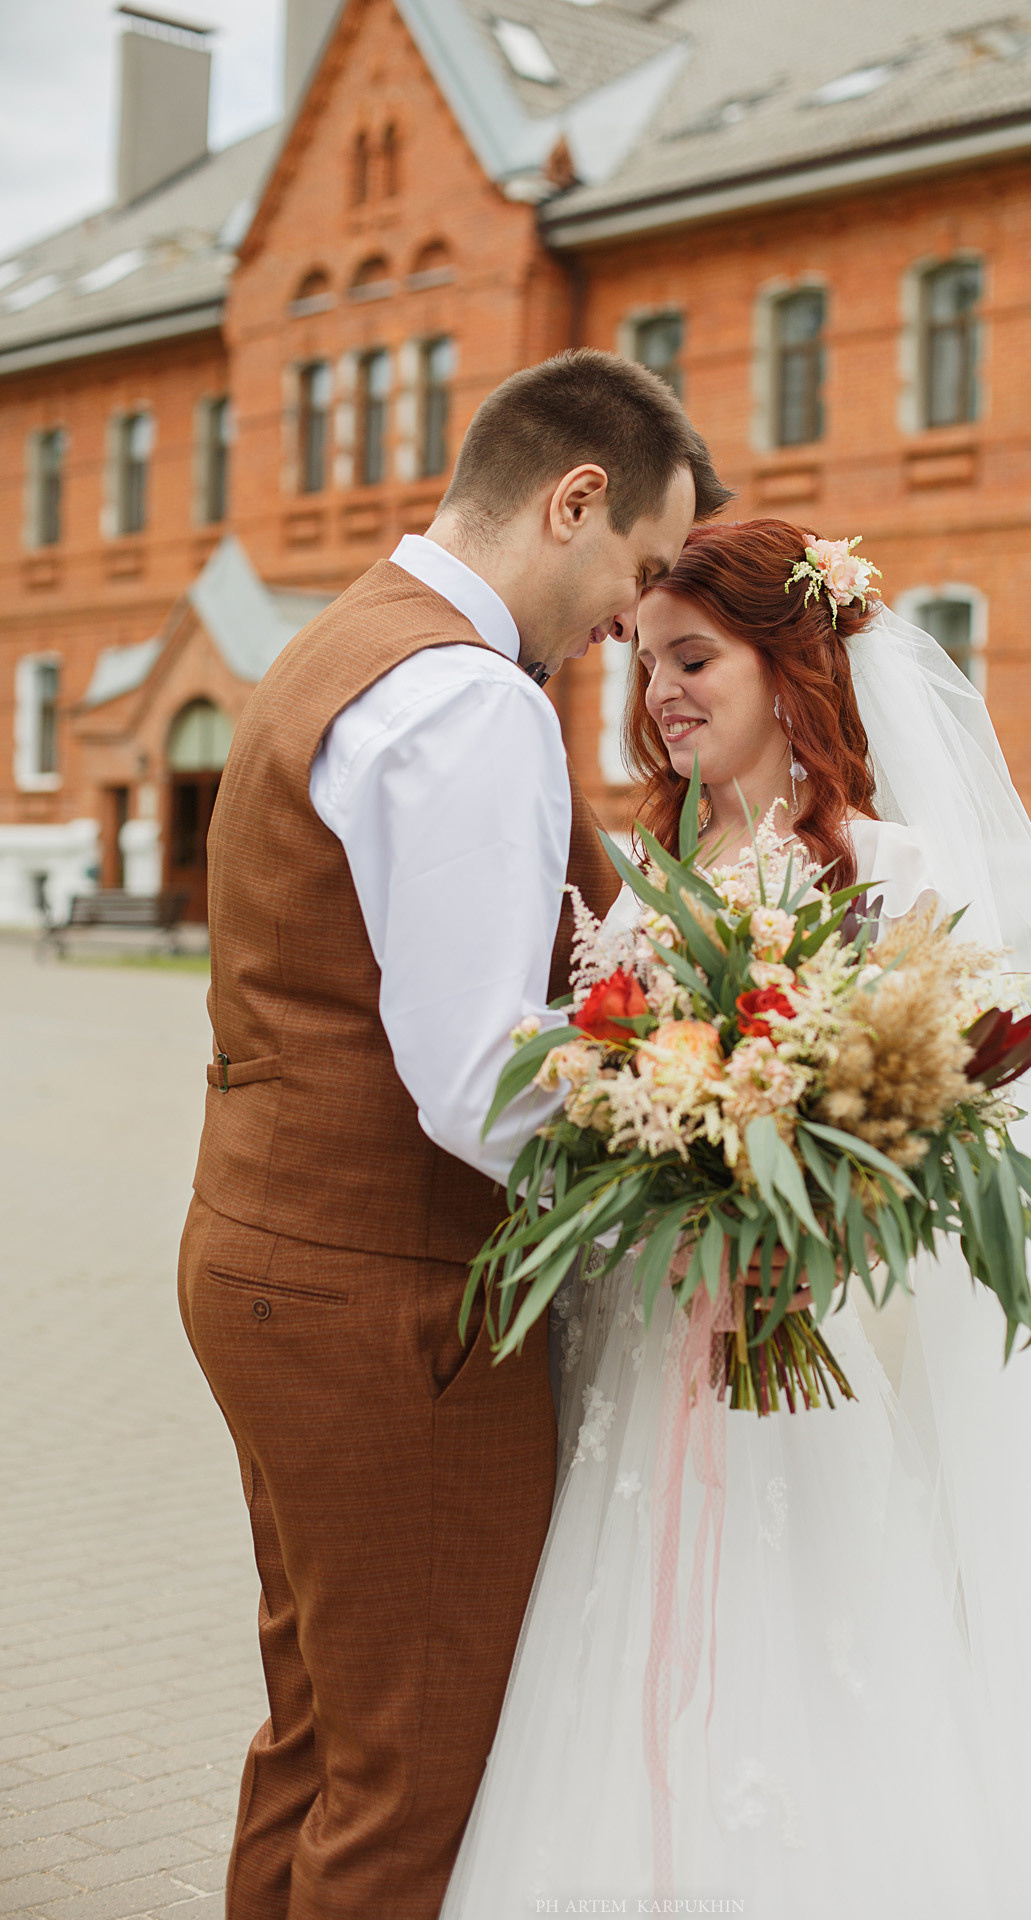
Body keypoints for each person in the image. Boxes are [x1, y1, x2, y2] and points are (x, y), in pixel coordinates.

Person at [440, 520, 1031, 1919]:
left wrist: (803, 1217)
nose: (660, 695)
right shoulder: (643, 882)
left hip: (809, 1370)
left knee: (811, 1670)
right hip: (640, 1367)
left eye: (692, 658)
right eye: (644, 664)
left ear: (793, 666)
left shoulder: (898, 875)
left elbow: (954, 1147)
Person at [176, 349, 731, 1920]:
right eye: (633, 569)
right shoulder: (469, 701)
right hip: (392, 1300)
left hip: (267, 1265)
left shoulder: (337, 647)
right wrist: (689, 1179)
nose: (628, 620)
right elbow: (481, 1076)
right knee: (415, 1772)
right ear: (573, 499)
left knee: (324, 1739)